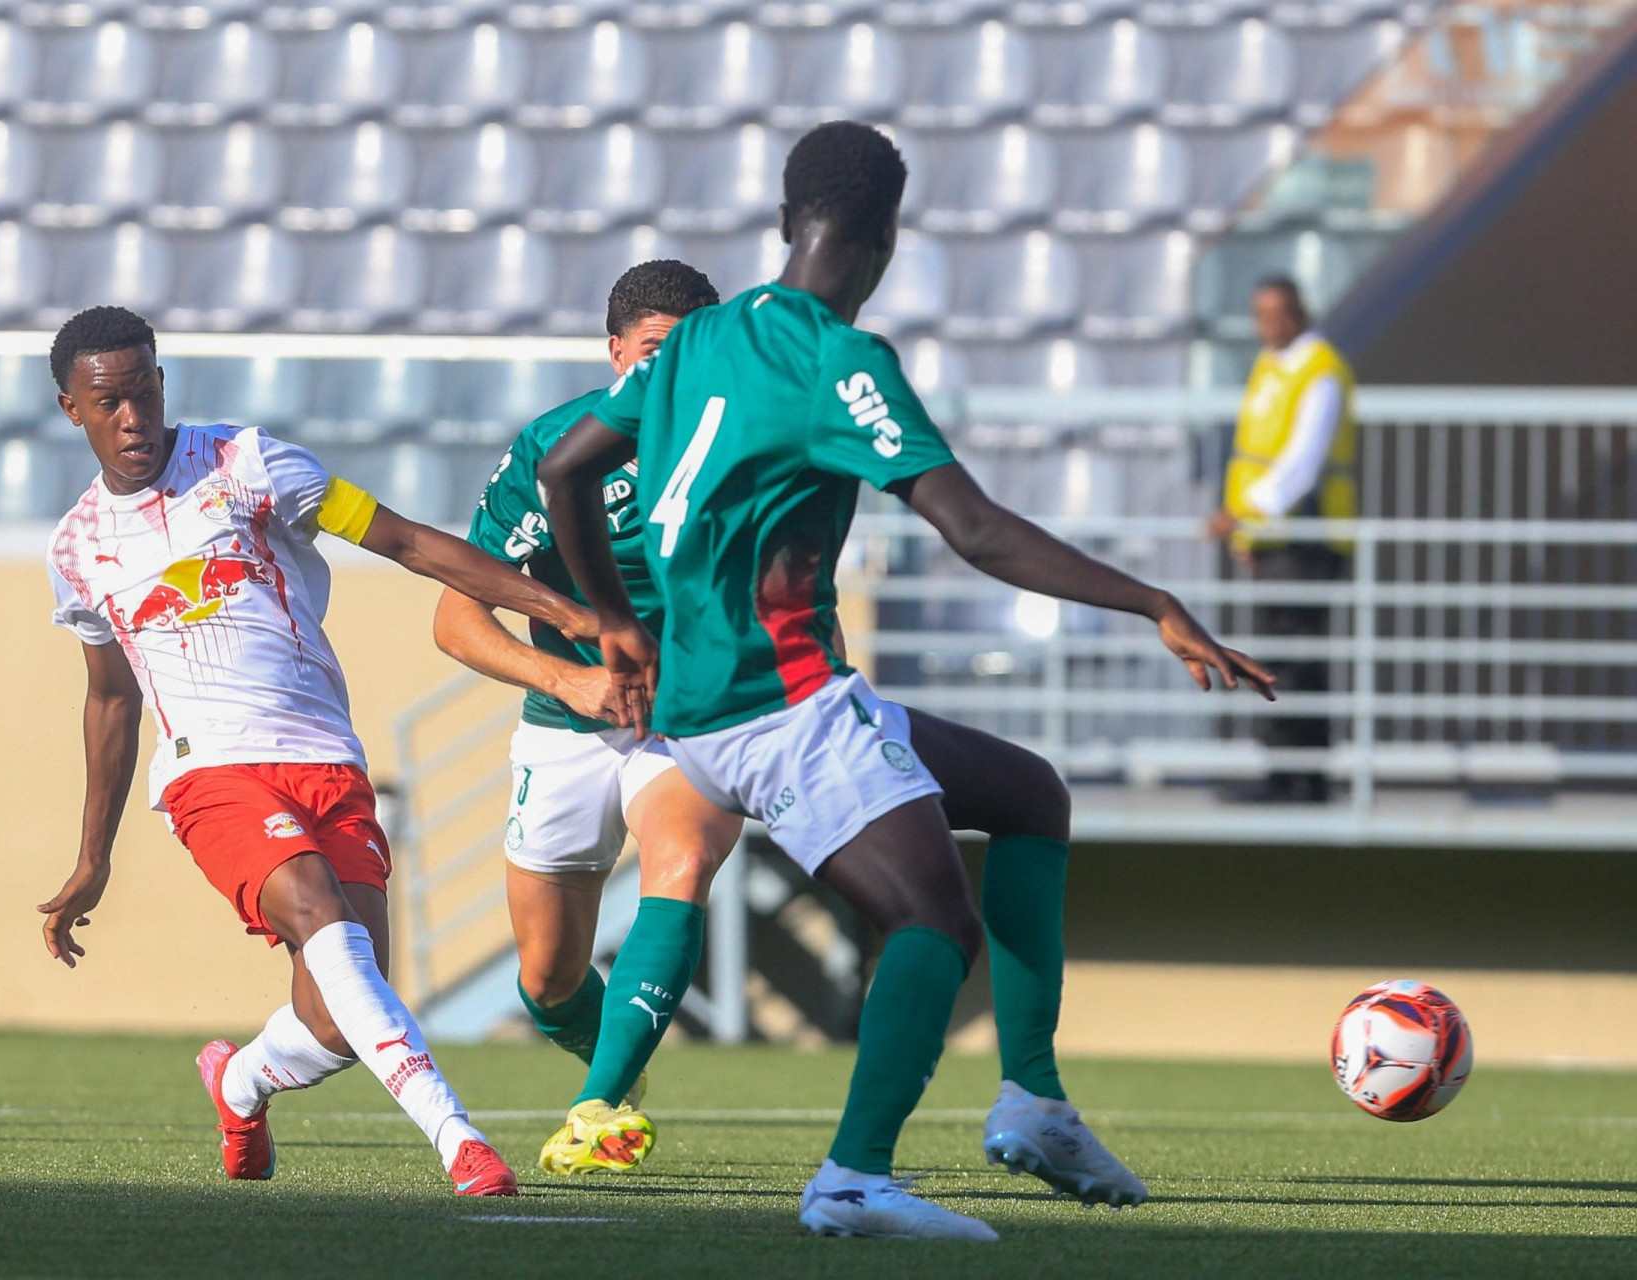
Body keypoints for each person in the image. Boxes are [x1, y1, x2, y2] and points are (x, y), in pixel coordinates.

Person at [537, 121, 1275, 1240]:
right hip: (776, 700)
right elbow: (973, 527)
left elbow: (563, 467)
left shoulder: (690, 343)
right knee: (933, 917)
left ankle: (1033, 1096)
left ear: (787, 223)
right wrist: (1155, 601)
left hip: (703, 705)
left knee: (1028, 795)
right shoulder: (839, 360)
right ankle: (854, 1176)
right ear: (887, 233)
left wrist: (618, 624)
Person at [38, 306, 600, 1198]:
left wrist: (567, 613)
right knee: (314, 910)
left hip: (324, 757)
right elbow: (111, 698)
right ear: (73, 409)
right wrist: (92, 857)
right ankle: (460, 1142)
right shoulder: (76, 552)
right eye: (110, 402)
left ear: (161, 381)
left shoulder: (249, 465)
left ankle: (241, 1078)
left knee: (337, 1015)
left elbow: (409, 541)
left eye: (145, 391)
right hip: (210, 769)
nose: (133, 418)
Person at [432, 261, 744, 1175]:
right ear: (615, 354)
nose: (673, 377)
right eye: (654, 354)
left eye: (694, 356)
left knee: (680, 858)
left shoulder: (745, 445)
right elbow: (455, 617)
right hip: (569, 718)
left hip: (692, 713)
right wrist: (567, 680)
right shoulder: (555, 447)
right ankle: (606, 1056)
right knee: (547, 980)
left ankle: (600, 1103)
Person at [1207, 276, 1357, 804]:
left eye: (1278, 312)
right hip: (1278, 538)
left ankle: (1305, 776)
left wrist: (1240, 514)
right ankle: (1284, 769)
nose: (1268, 323)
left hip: (1308, 538)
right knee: (1279, 655)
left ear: (1299, 312)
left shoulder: (1320, 372)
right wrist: (1248, 532)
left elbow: (1300, 465)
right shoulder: (1272, 367)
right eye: (1260, 312)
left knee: (1300, 657)